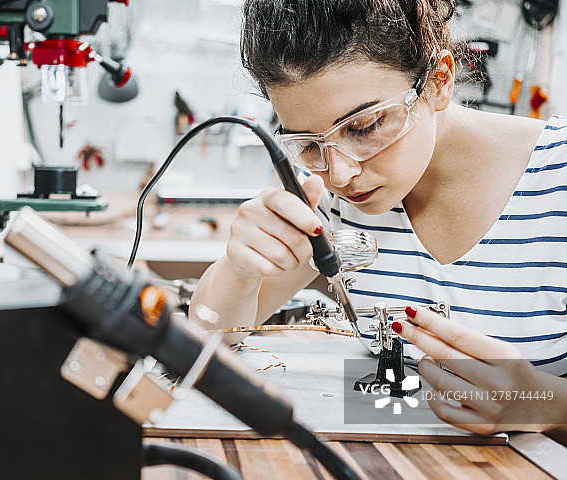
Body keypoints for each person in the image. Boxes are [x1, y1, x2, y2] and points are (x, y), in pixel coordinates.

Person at [189, 0, 567, 441]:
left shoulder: (558, 178)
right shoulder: (333, 202)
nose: (341, 174)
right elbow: (209, 333)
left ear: (440, 82)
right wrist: (239, 271)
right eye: (308, 143)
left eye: (365, 126)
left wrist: (544, 401)